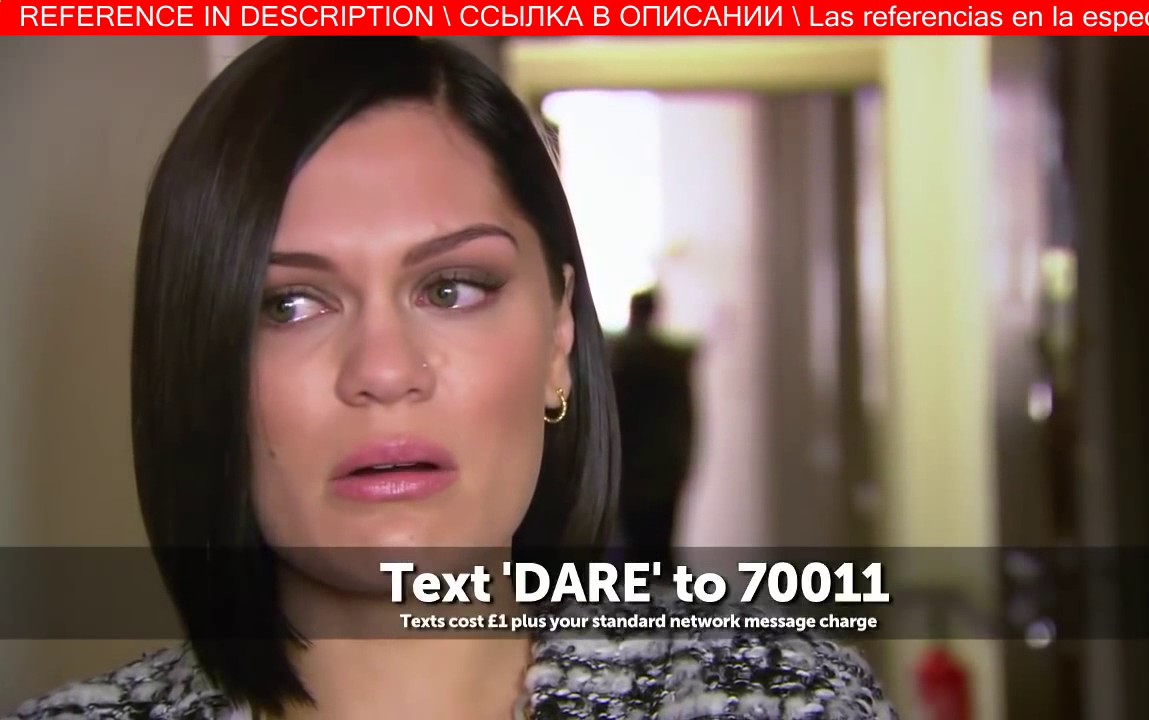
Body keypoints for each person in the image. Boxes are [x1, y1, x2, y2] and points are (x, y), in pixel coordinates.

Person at [7, 38, 895, 720]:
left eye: (452, 289)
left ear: (558, 337)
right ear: (202, 368)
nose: (385, 371)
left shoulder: (783, 702)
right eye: (291, 304)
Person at [611, 289, 697, 569]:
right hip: (662, 470)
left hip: (630, 471)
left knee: (633, 550)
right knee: (660, 549)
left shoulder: (619, 356)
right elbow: (685, 419)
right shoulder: (671, 360)